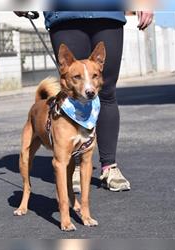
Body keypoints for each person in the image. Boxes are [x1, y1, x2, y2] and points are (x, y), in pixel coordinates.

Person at [14, 10, 153, 192]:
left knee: (106, 91)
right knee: (73, 91)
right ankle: (76, 165)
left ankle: (109, 166)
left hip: (107, 12)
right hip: (64, 13)